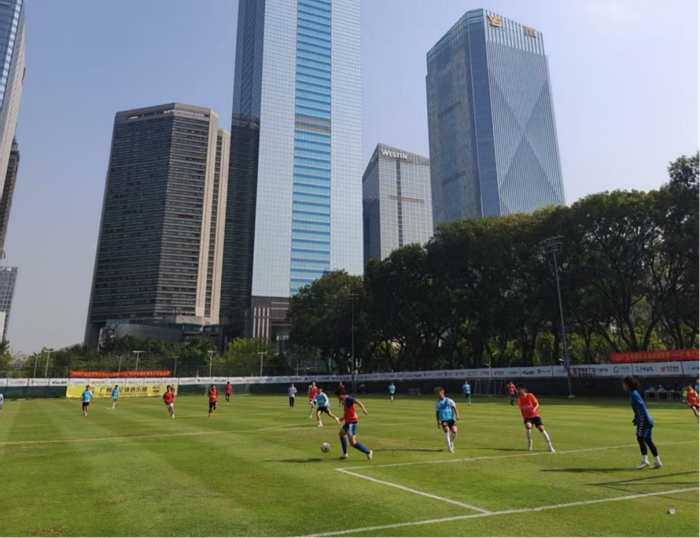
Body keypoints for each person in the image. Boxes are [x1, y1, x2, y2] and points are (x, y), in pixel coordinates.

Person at [623, 376, 662, 469]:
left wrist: (643, 418)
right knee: (648, 440)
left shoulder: (634, 394)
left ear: (628, 385)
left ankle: (645, 461)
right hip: (645, 418)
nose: (623, 386)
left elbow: (641, 406)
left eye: (624, 384)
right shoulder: (633, 393)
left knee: (640, 438)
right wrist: (636, 417)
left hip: (644, 419)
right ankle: (657, 461)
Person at [516, 383, 554, 452]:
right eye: (517, 390)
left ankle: (550, 446)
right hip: (527, 417)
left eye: (519, 389)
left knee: (541, 428)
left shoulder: (530, 395)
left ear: (523, 389)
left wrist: (534, 409)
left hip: (535, 415)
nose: (518, 391)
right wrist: (524, 418)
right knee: (528, 426)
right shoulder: (520, 399)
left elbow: (537, 404)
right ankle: (530, 441)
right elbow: (522, 409)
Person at [335, 389, 372, 460]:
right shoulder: (345, 400)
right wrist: (340, 419)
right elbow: (347, 413)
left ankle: (368, 452)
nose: (338, 399)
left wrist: (364, 409)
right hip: (348, 422)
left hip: (351, 422)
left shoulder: (348, 399)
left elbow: (357, 401)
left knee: (352, 443)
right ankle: (345, 453)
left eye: (338, 397)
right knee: (341, 434)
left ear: (341, 395)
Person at [435, 387, 459, 452]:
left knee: (454, 432)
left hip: (451, 419)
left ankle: (450, 441)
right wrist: (438, 422)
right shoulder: (437, 403)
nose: (438, 395)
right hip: (444, 420)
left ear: (443, 392)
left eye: (439, 393)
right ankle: (450, 448)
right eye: (437, 394)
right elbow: (437, 413)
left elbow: (454, 408)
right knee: (447, 430)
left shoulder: (449, 400)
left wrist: (457, 415)